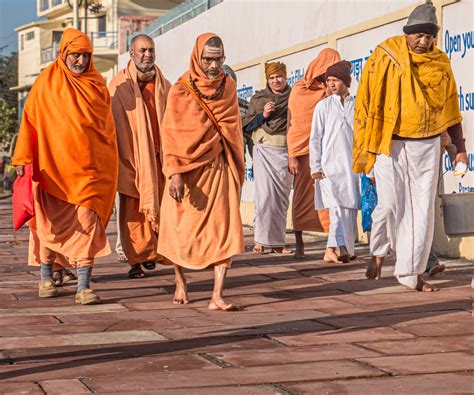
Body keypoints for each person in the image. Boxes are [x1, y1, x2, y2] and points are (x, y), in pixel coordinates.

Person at [353, 1, 468, 291]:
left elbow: (451, 108)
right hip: (390, 143)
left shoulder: (441, 63)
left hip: (427, 145)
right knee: (390, 205)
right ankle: (378, 251)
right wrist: (366, 142)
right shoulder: (386, 56)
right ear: (407, 33)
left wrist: (459, 148)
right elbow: (365, 100)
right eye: (418, 34)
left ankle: (411, 272)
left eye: (429, 35)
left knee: (421, 213)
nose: (423, 40)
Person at [12, 28, 118, 304]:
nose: (81, 61)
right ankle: (46, 277)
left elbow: (106, 132)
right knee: (49, 227)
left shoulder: (97, 85)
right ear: (64, 54)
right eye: (76, 55)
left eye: (86, 55)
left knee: (87, 224)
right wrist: (24, 159)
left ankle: (84, 286)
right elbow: (29, 123)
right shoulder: (45, 84)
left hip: (89, 175)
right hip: (51, 172)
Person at [157, 33, 245, 311]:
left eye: (218, 59)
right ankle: (180, 281)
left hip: (218, 167)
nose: (213, 65)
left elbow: (232, 128)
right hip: (185, 171)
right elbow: (170, 134)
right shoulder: (180, 90)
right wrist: (174, 172)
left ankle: (217, 295)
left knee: (225, 230)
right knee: (179, 230)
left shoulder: (228, 87)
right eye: (208, 59)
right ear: (197, 57)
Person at [109, 34, 171, 279]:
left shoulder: (164, 84)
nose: (148, 55)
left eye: (151, 50)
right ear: (132, 54)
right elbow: (113, 125)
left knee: (162, 206)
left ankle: (152, 252)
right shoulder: (118, 86)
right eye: (143, 51)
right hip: (130, 159)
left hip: (159, 158)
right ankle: (135, 260)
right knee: (132, 212)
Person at [287, 48, 341, 259]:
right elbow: (294, 125)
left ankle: (332, 246)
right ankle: (299, 244)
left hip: (327, 152)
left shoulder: (333, 91)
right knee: (302, 199)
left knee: (330, 199)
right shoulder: (300, 90)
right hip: (302, 155)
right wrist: (292, 154)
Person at [310, 60, 360, 263]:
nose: (330, 84)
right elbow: (315, 137)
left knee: (348, 207)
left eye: (335, 80)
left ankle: (345, 248)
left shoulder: (357, 105)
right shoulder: (323, 106)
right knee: (336, 207)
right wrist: (315, 165)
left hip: (351, 166)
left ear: (345, 81)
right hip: (328, 166)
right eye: (328, 80)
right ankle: (339, 247)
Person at [242, 62, 293, 254]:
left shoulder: (293, 97)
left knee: (280, 199)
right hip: (263, 151)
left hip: (285, 151)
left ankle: (278, 242)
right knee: (264, 197)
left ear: (285, 76)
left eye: (279, 76)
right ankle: (261, 241)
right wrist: (263, 115)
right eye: (272, 78)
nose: (276, 81)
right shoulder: (259, 98)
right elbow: (246, 126)